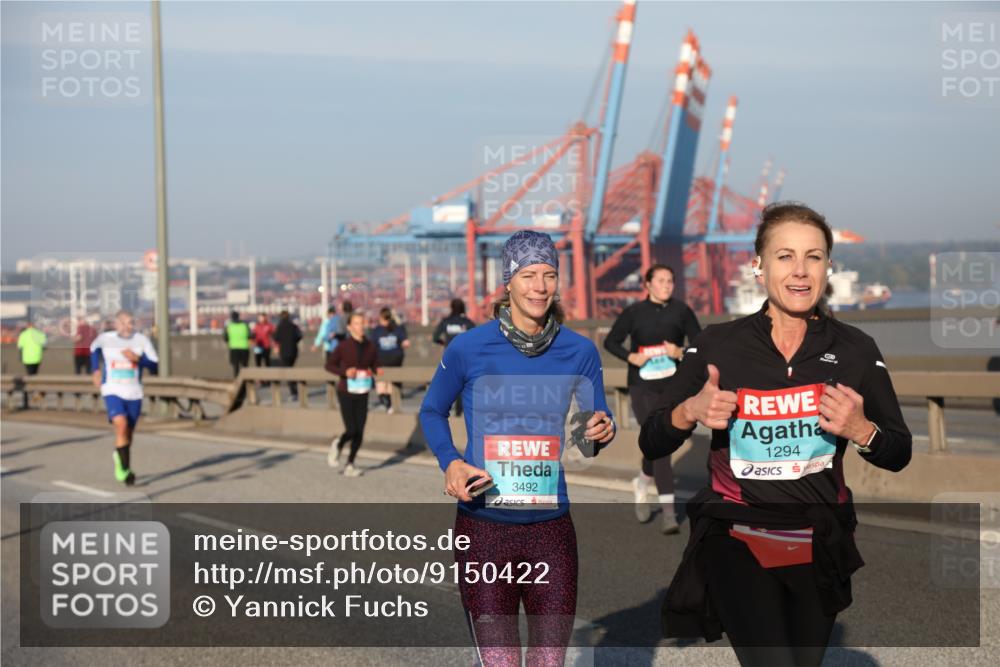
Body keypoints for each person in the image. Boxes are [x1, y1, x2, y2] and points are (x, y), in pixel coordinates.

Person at [639, 202, 912, 667]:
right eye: (785, 256)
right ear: (758, 266)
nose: (801, 271)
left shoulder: (855, 349)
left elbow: (898, 450)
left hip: (819, 536)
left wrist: (861, 429)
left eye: (814, 257)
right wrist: (690, 410)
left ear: (829, 266)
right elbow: (652, 441)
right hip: (736, 532)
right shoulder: (716, 344)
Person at [419, 230, 616, 666]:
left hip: (551, 530)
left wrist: (601, 430)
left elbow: (591, 430)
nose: (540, 287)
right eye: (529, 275)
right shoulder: (469, 347)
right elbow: (431, 411)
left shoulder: (579, 351)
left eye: (549, 275)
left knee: (548, 662)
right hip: (484, 529)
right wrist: (450, 463)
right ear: (508, 281)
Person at [604, 264, 701, 533]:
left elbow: (700, 343)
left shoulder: (681, 311)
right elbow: (611, 341)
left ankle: (642, 482)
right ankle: (670, 513)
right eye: (661, 281)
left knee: (657, 446)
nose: (667, 285)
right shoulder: (634, 313)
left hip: (671, 386)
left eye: (670, 280)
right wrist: (630, 356)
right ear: (647, 285)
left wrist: (681, 350)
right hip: (641, 386)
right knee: (660, 445)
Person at [90, 310, 159, 485]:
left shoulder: (141, 340)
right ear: (116, 324)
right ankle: (125, 471)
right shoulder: (106, 338)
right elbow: (93, 349)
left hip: (134, 392)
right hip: (112, 389)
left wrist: (138, 359)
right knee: (121, 424)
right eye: (123, 323)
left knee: (128, 433)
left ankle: (119, 454)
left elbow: (154, 364)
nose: (127, 326)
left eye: (130, 323)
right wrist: (95, 370)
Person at [325, 311, 379, 477]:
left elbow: (375, 364)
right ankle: (338, 444)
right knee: (351, 429)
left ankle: (350, 464)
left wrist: (376, 370)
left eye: (362, 323)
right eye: (356, 323)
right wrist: (345, 372)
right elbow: (329, 365)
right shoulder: (343, 346)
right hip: (346, 391)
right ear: (349, 327)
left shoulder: (371, 346)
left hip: (363, 391)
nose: (360, 326)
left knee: (360, 431)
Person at [431, 298, 476, 415]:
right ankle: (459, 410)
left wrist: (443, 343)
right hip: (464, 357)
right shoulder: (466, 322)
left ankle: (445, 409)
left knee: (449, 383)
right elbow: (476, 337)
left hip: (449, 356)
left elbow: (435, 337)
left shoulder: (446, 321)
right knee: (462, 383)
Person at [370, 307, 409, 414]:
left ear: (381, 317)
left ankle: (388, 406)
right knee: (391, 387)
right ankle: (392, 406)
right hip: (395, 361)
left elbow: (371, 347)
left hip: (382, 362)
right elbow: (406, 343)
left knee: (382, 388)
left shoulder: (376, 330)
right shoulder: (398, 328)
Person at [273, 310, 303, 400]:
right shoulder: (293, 326)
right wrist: (294, 341)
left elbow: (276, 338)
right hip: (293, 351)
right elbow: (300, 336)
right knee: (291, 369)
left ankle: (294, 392)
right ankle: (295, 390)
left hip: (284, 352)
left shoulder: (280, 326)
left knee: (287, 370)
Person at [16, 322, 47, 408]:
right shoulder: (38, 333)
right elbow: (44, 344)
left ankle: (32, 394)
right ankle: (34, 394)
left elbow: (19, 346)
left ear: (28, 326)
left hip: (27, 358)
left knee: (29, 376)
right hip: (37, 358)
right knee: (34, 375)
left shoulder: (23, 334)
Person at [224, 310, 251, 378]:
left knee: (236, 366)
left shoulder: (229, 326)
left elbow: (225, 338)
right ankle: (245, 380)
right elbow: (250, 335)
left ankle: (237, 380)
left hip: (234, 348)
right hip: (244, 348)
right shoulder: (245, 325)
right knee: (245, 366)